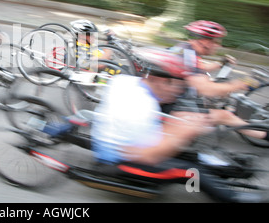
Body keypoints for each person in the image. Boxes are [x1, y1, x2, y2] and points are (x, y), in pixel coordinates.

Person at [91, 47, 265, 202]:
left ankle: (224, 170)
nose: (177, 91)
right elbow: (146, 155)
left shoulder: (127, 82)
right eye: (176, 84)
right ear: (158, 79)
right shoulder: (141, 107)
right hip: (121, 161)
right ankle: (232, 198)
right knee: (189, 170)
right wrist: (181, 134)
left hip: (130, 140)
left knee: (193, 155)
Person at [167, 20, 267, 141]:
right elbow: (206, 89)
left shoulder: (185, 49)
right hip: (173, 109)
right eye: (216, 41)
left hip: (176, 98)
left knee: (219, 93)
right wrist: (240, 84)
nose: (219, 45)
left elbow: (198, 68)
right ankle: (265, 135)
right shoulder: (188, 55)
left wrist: (220, 63)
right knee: (225, 115)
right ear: (205, 41)